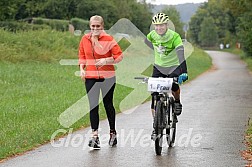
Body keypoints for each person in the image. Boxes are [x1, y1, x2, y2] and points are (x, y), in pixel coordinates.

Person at [78, 15, 123, 149]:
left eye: (98, 26)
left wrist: (106, 60)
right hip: (90, 76)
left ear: (102, 26)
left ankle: (112, 133)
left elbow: (119, 56)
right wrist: (81, 68)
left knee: (108, 104)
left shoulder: (109, 39)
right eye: (93, 26)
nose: (95, 28)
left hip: (108, 77)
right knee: (93, 105)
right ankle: (95, 136)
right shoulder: (85, 39)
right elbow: (82, 55)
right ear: (90, 26)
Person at [144, 13, 188, 138]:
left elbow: (181, 55)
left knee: (174, 85)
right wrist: (156, 51)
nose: (159, 28)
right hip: (158, 67)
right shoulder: (152, 35)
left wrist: (184, 71)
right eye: (156, 26)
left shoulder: (175, 36)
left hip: (173, 66)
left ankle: (177, 102)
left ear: (167, 25)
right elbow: (147, 41)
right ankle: (155, 126)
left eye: (161, 25)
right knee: (154, 95)